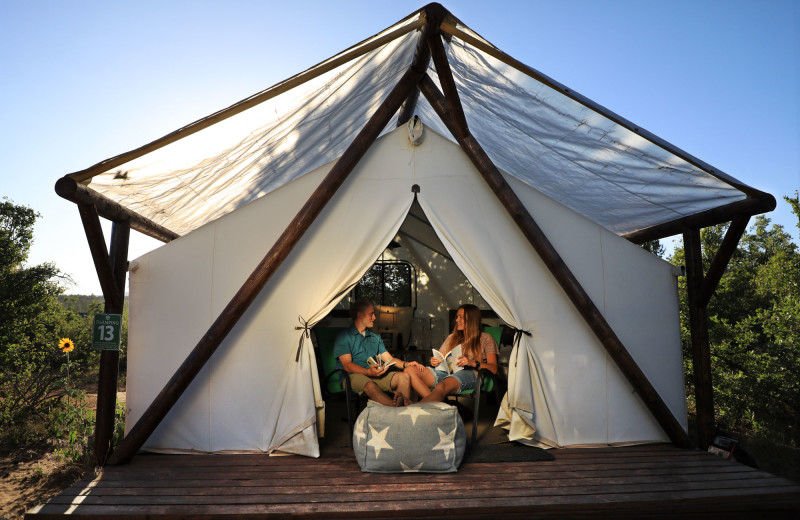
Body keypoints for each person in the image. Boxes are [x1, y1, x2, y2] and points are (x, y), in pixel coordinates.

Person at [404, 304, 498, 403]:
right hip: (445, 372)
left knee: (442, 385)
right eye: (457, 317)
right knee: (409, 370)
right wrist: (435, 360)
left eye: (461, 317)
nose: (457, 320)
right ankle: (436, 404)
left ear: (471, 319)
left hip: (469, 373)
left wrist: (472, 363)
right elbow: (441, 356)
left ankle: (416, 406)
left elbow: (494, 368)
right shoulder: (452, 337)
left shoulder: (486, 339)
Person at [334, 299, 418, 406]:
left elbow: (389, 359)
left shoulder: (375, 338)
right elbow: (347, 366)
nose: (374, 318)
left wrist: (406, 364)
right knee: (370, 385)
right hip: (352, 376)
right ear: (360, 315)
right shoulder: (344, 337)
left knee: (404, 377)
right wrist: (368, 372)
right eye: (371, 314)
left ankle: (399, 412)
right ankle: (395, 408)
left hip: (375, 375)